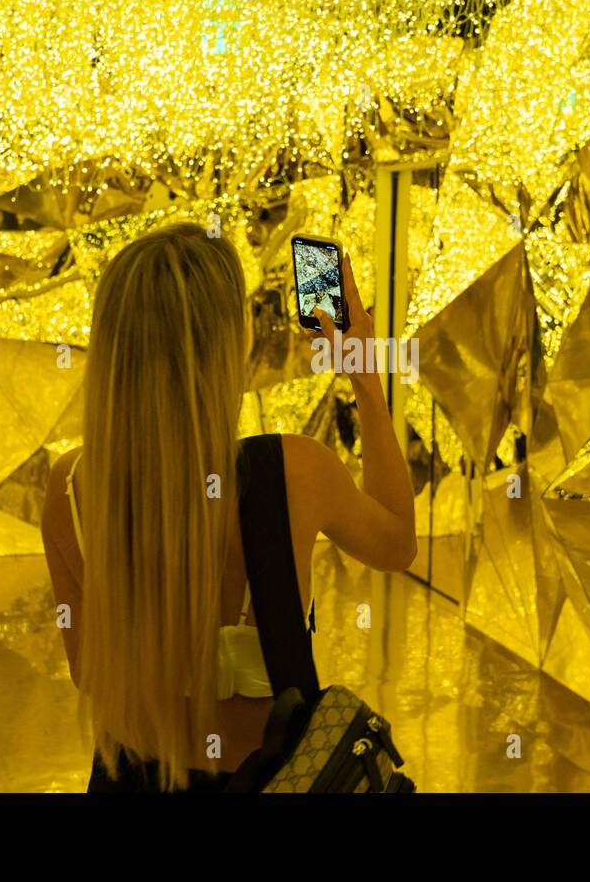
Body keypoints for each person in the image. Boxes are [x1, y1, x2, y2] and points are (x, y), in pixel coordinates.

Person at [41, 222, 416, 792]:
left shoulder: (71, 485)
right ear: (224, 343)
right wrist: (364, 379)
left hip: (128, 776)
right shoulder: (294, 470)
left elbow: (86, 672)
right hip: (264, 779)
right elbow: (397, 545)